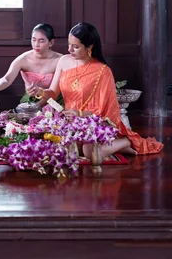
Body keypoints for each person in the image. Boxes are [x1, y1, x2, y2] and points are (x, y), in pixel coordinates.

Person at [36, 22, 163, 158]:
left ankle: (127, 141)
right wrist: (41, 92)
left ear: (89, 47)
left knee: (90, 153)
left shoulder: (103, 71)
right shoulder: (63, 61)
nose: (69, 50)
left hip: (93, 121)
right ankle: (116, 146)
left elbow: (107, 113)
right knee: (54, 146)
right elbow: (53, 93)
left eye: (76, 47)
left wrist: (79, 113)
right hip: (69, 120)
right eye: (69, 44)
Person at [0, 23, 61, 97]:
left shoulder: (60, 60)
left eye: (41, 41)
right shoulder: (23, 59)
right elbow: (7, 79)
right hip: (31, 100)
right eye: (33, 40)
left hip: (54, 99)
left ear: (51, 42)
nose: (36, 44)